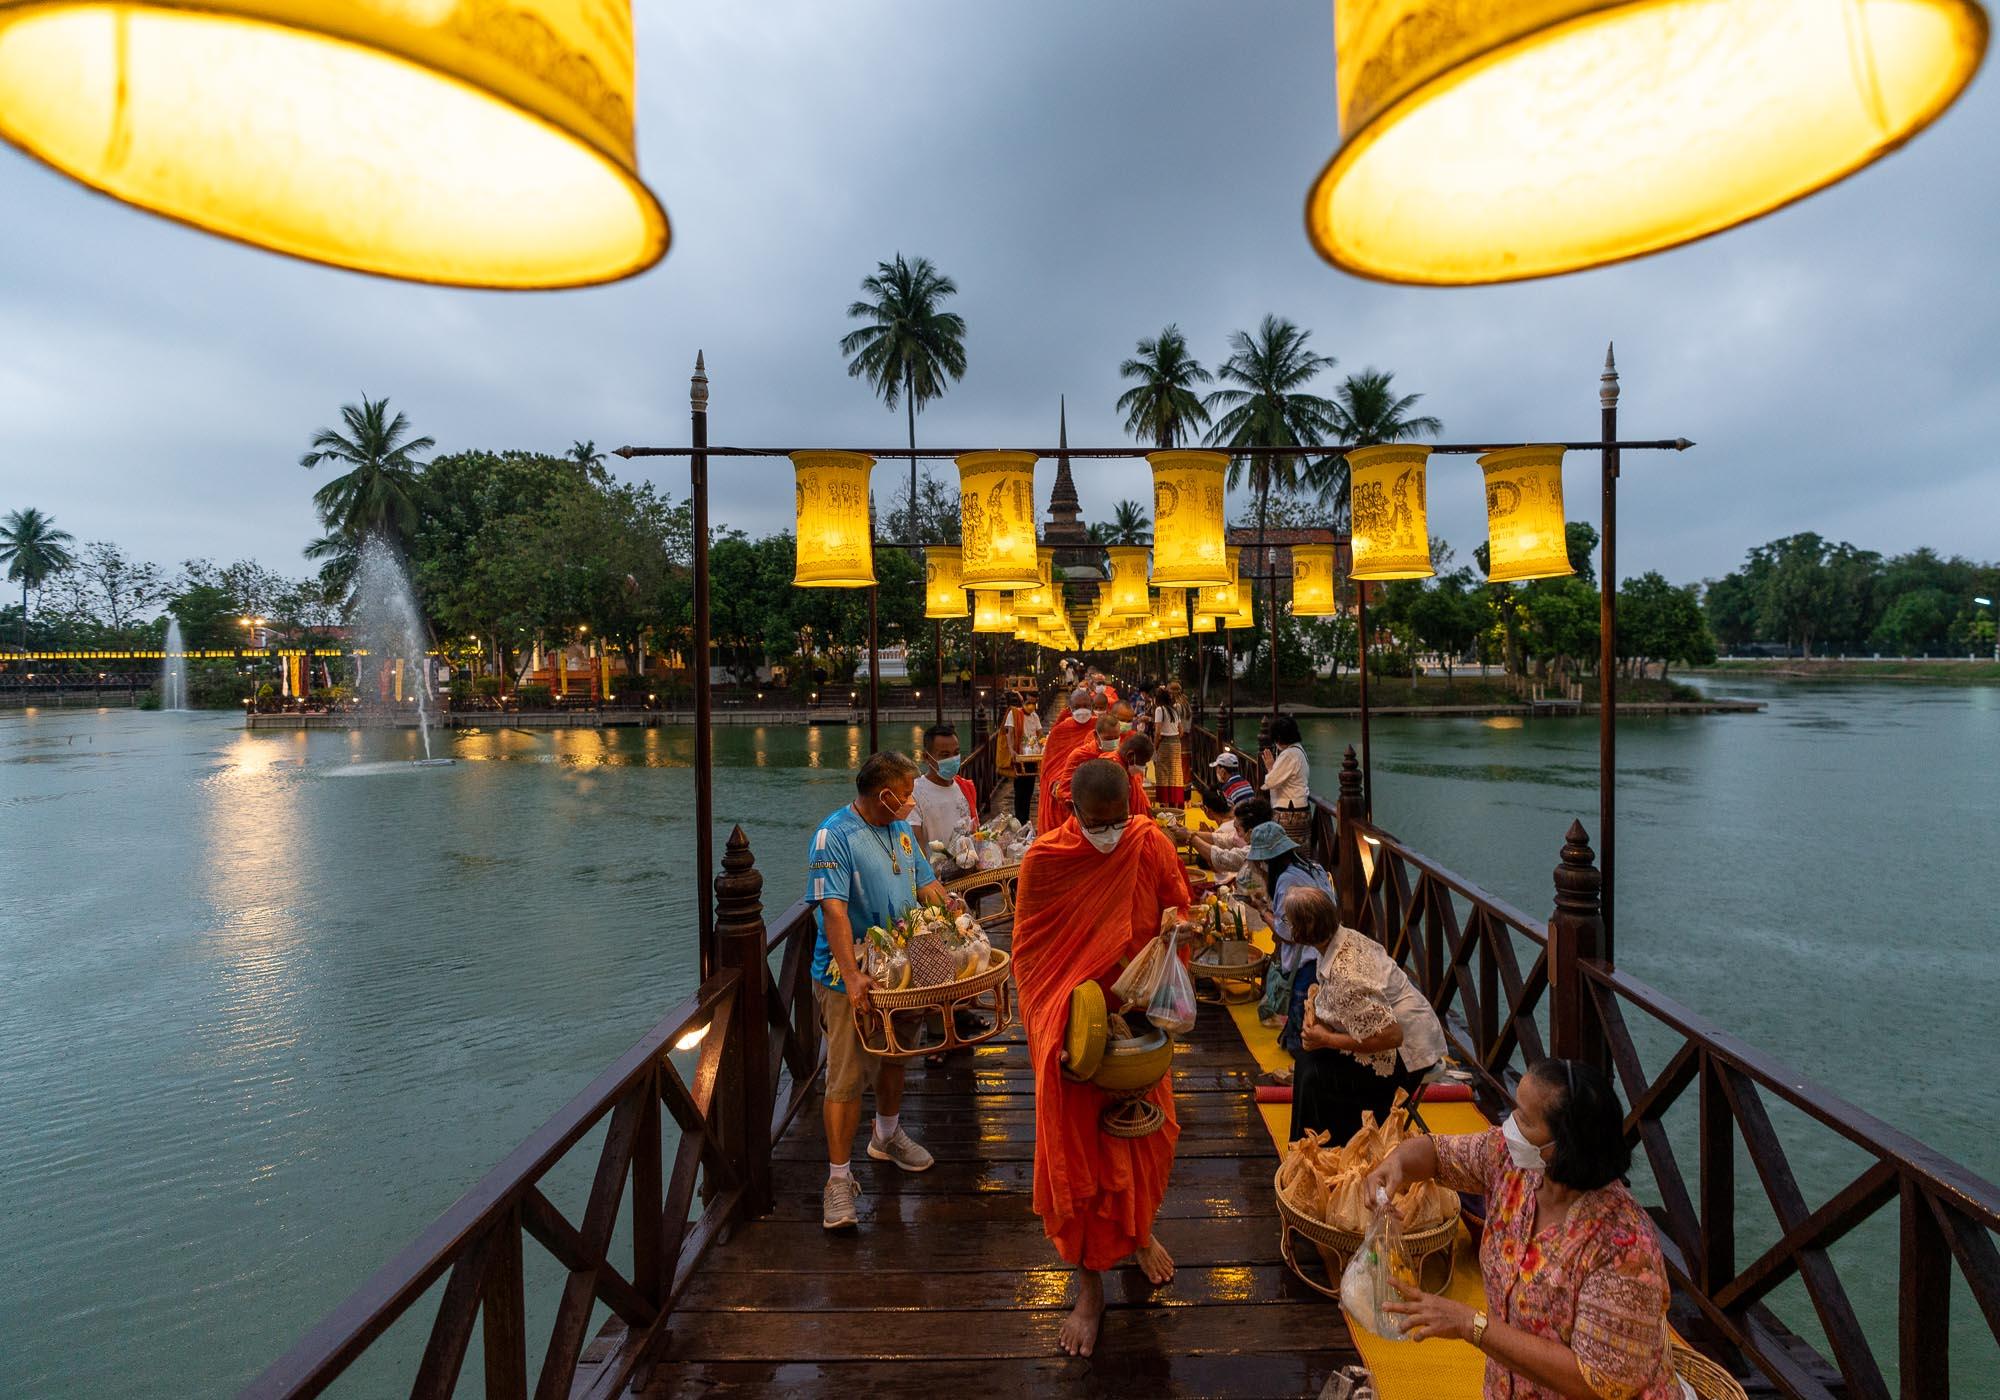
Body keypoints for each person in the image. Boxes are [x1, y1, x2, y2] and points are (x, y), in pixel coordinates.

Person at [1012, 758, 1194, 1357]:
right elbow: (1030, 955)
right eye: (1099, 822)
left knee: (1147, 1138)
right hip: (1075, 1034)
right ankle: (1088, 1288)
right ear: (1074, 812)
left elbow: (1180, 909)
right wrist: (1057, 1033)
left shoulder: (1150, 843)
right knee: (1080, 1163)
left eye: (1119, 820)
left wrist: (1176, 926)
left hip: (1140, 1024)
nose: (1110, 831)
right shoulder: (1045, 858)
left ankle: (1141, 1233)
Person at [1371, 1059, 1677, 1400]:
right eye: (1516, 1110)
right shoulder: (1514, 1163)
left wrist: (1470, 1324)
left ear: (1568, 1145)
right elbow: (1438, 1153)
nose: (1509, 1126)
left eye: (1526, 1121)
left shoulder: (1623, 1246)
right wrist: (1395, 1163)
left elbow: (1596, 1381)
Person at [804, 752, 945, 1231]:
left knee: (897, 1056)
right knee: (845, 1077)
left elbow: (924, 885)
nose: (911, 799)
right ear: (883, 793)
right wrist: (851, 972)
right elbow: (834, 911)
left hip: (904, 968)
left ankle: (886, 1135)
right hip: (851, 977)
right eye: (905, 792)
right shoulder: (834, 836)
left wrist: (952, 916)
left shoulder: (902, 831)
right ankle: (838, 1180)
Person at [1285, 887, 1445, 1143]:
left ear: (1305, 926)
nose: (1287, 926)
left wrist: (1326, 1039)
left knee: (1316, 1076)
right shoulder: (1337, 938)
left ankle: (1331, 1151)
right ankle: (1307, 1148)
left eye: (1288, 921)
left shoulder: (1347, 974)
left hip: (1410, 1050)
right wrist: (1316, 1025)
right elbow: (1334, 998)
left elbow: (1393, 1036)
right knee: (1308, 1061)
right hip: (1396, 1031)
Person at [1242, 821, 1336, 1045]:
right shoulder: (1314, 867)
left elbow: (1287, 933)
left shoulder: (1286, 879)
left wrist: (1263, 911)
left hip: (1307, 959)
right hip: (1327, 950)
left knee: (1303, 1031)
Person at [1035, 686, 1098, 834]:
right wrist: (1058, 783)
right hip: (1063, 791)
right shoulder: (1059, 731)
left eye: (1086, 706)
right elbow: (1049, 767)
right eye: (1077, 707)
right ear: (1070, 708)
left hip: (1092, 790)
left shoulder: (1098, 727)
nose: (1082, 710)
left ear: (1092, 707)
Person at [1043, 712, 1123, 826]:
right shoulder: (1080, 755)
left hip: (1115, 817)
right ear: (1096, 736)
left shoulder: (1120, 754)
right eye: (1108, 738)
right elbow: (1064, 791)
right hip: (1086, 818)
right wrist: (1086, 810)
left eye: (1116, 738)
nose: (1113, 742)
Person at [910, 723, 977, 853]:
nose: (952, 759)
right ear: (926, 757)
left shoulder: (964, 786)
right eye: (945, 755)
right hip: (935, 871)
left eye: (956, 753)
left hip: (968, 866)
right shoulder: (914, 792)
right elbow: (915, 842)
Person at [1188, 794, 1272, 875]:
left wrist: (1191, 837)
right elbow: (1223, 839)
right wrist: (1191, 833)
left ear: (1250, 833)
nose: (1236, 833)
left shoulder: (1257, 850)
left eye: (1238, 830)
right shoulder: (1264, 833)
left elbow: (1224, 858)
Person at [1260, 715, 1312, 845]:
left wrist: (1271, 767)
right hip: (1298, 808)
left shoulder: (1289, 754)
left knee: (1286, 852)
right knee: (1298, 852)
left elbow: (1270, 782)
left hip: (1289, 812)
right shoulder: (1299, 750)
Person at [1153, 682, 1186, 808]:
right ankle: (1176, 806)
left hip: (1165, 743)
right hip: (1176, 743)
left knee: (1163, 773)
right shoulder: (1174, 710)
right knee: (1176, 774)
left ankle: (1165, 806)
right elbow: (1181, 731)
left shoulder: (1159, 710)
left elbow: (1157, 732)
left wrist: (1155, 746)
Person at [1116, 732, 1155, 816]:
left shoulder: (1130, 768)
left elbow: (1141, 795)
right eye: (1143, 762)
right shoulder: (1114, 770)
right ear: (1130, 755)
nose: (1143, 766)